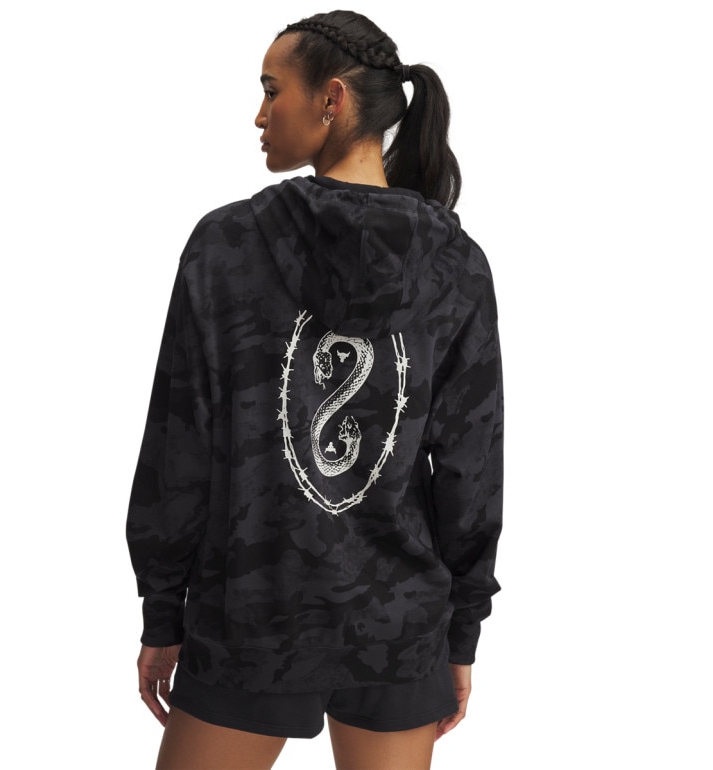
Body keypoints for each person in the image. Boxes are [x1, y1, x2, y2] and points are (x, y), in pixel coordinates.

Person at [127, 10, 503, 770]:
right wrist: (460, 632)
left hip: (249, 614)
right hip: (398, 626)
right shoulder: (454, 263)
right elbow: (471, 469)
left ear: (331, 99)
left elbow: (180, 442)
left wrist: (163, 612)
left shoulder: (227, 245)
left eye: (273, 90)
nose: (259, 114)